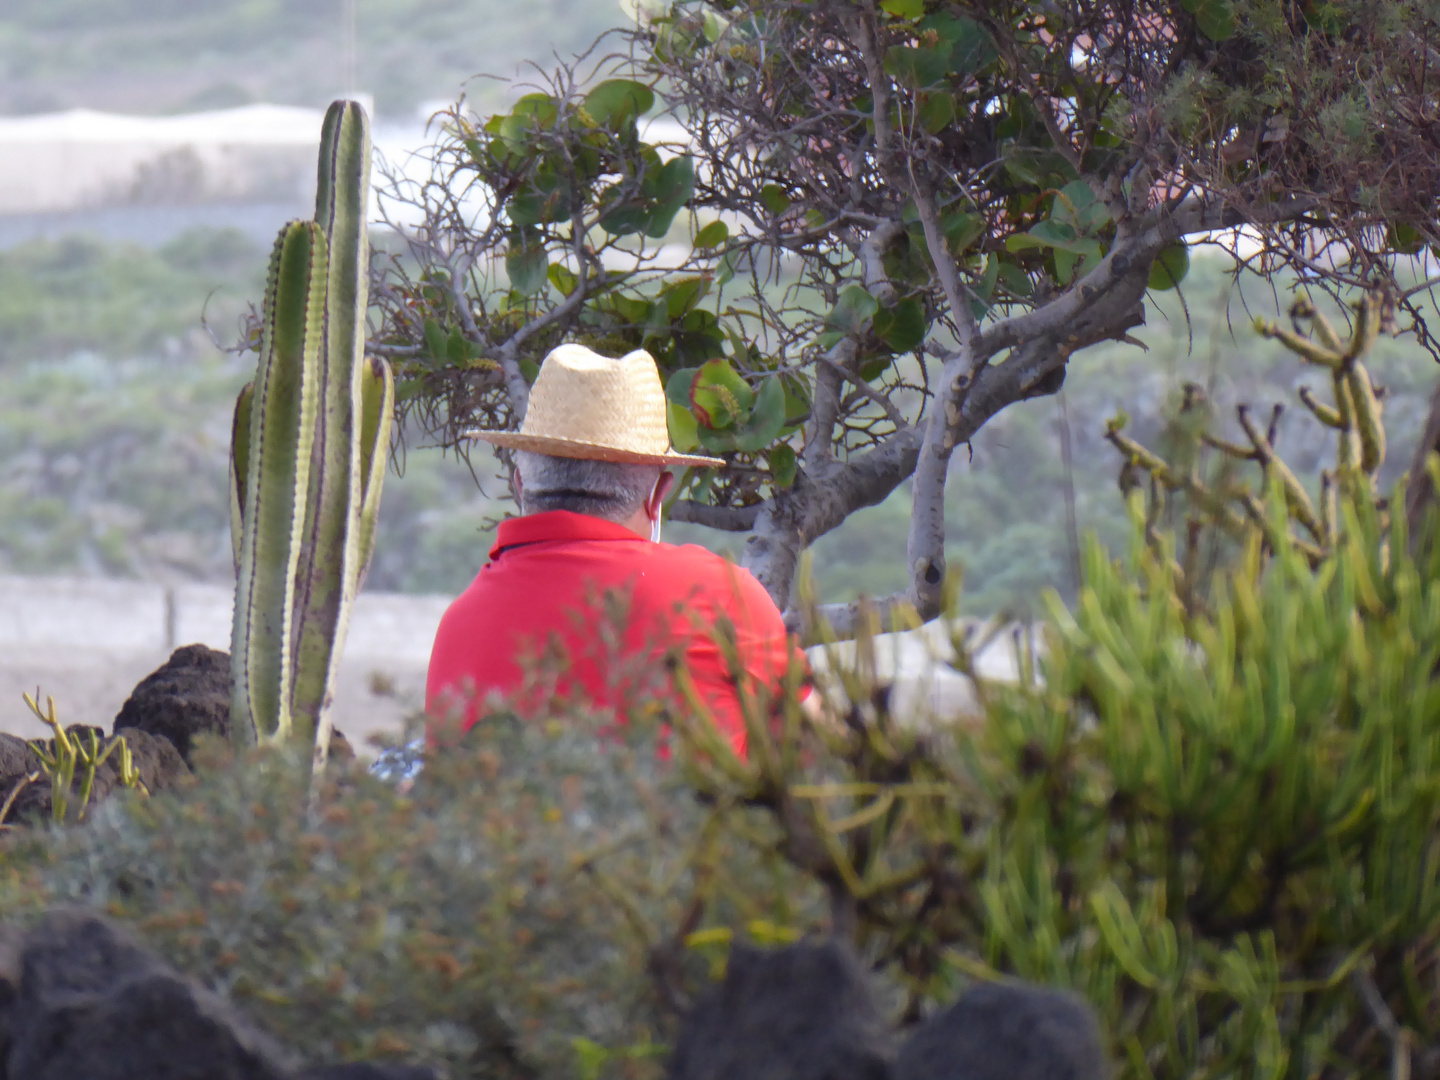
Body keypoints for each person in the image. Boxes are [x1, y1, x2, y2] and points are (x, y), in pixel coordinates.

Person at [425, 342, 812, 757]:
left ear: (519, 485)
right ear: (658, 495)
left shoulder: (458, 624)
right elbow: (820, 749)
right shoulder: (719, 595)